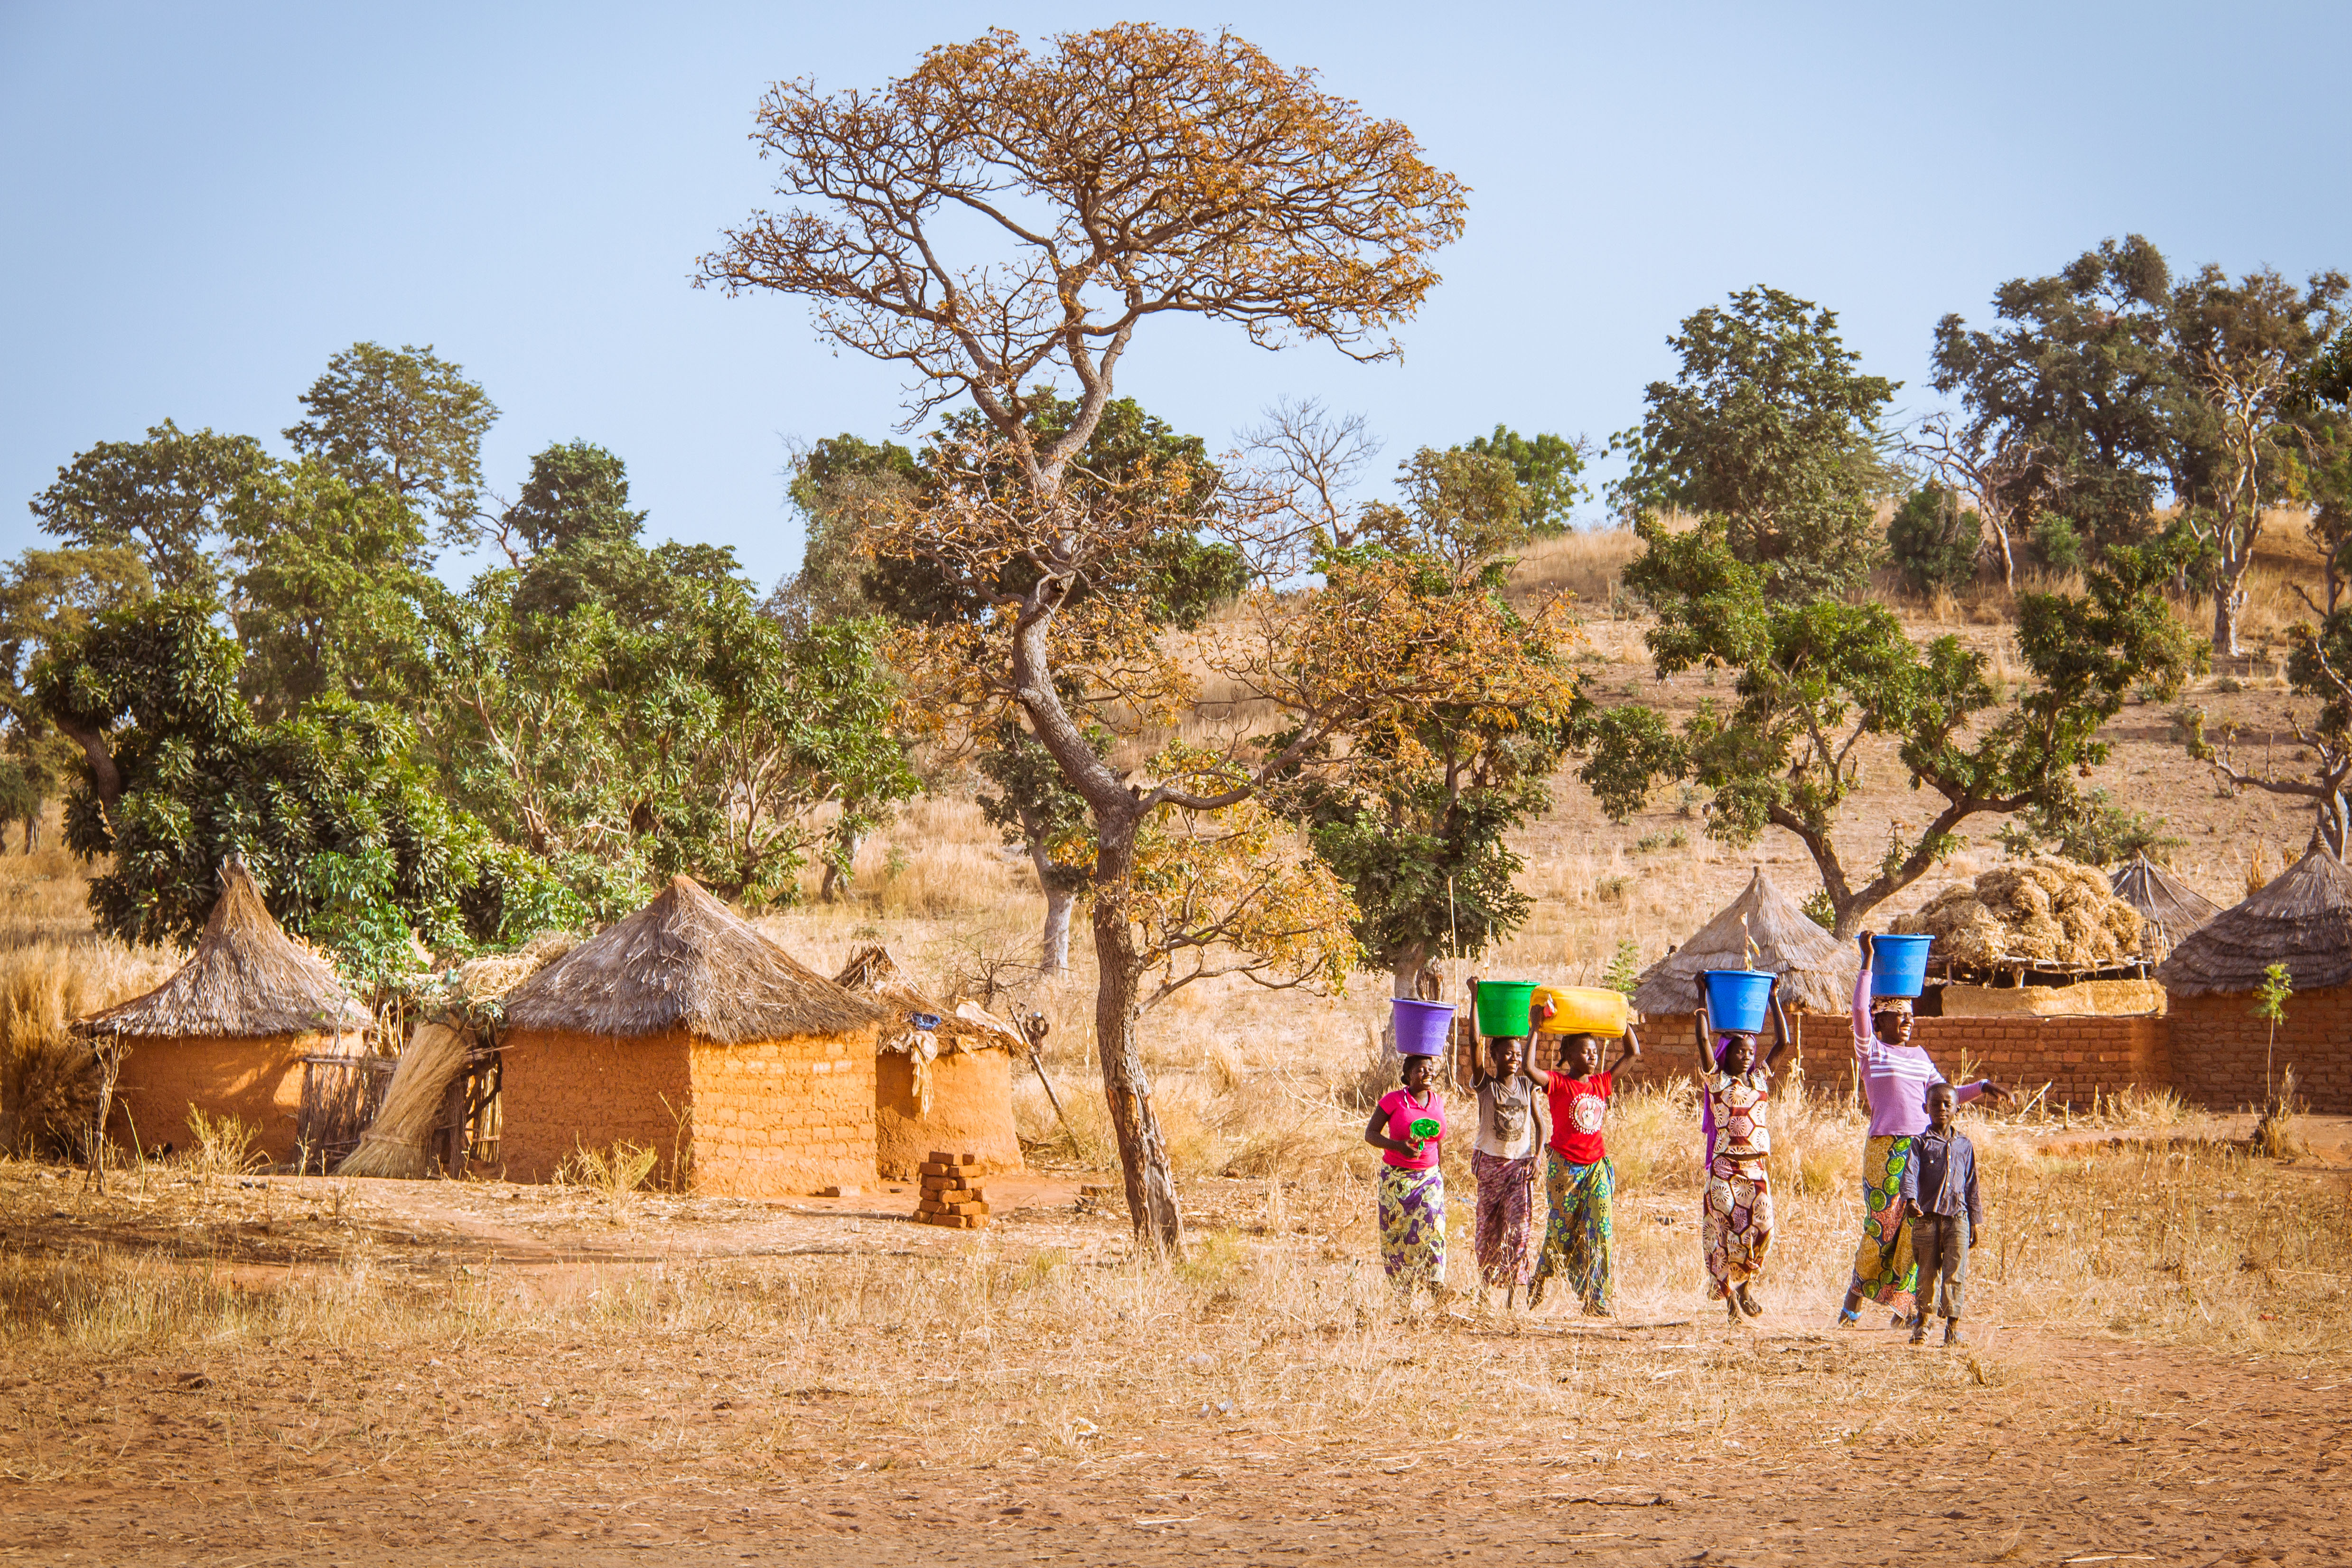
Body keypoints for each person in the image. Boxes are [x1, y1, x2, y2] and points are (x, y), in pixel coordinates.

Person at [1839, 933, 2009, 1328]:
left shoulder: (1920, 1058)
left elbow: (1945, 1095)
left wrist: (1982, 1087)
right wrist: (1867, 961)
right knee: (1881, 1227)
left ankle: (1907, 1312)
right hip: (1885, 1150)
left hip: (1922, 1150)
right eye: (1900, 1017)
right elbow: (1857, 1012)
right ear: (1880, 1020)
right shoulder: (1872, 1052)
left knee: (1917, 1228)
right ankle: (1852, 1308)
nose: (1908, 1023)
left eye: (1911, 1017)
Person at [1525, 1022, 1642, 1316]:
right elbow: (1528, 1069)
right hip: (1565, 1170)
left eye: (1594, 1051)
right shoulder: (1557, 1083)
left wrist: (1621, 1021)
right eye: (1585, 1051)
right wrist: (1536, 1028)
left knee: (1601, 1229)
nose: (1592, 1056)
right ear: (1568, 1054)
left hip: (1597, 1167)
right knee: (1561, 1231)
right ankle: (1541, 1276)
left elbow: (1633, 1053)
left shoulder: (1601, 1083)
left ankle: (1597, 1297)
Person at [1695, 973, 1792, 1323]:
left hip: (1755, 1170)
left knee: (1764, 1228)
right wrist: (1702, 993)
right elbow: (1703, 1037)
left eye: (1751, 1052)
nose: (1748, 1057)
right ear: (1727, 1053)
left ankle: (1746, 1285)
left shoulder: (1761, 1078)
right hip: (1724, 1168)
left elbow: (1783, 1041)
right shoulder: (1716, 1081)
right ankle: (1730, 1303)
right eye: (1741, 1051)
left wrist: (1774, 997)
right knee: (1722, 1235)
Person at [1469, 1014, 1544, 1308]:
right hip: (1490, 1165)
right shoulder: (1486, 1085)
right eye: (1507, 1054)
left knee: (1519, 1229)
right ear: (1494, 1057)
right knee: (1488, 1229)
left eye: (1517, 1053)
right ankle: (1485, 1292)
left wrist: (1538, 1157)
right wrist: (1476, 999)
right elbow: (1474, 1043)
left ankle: (1513, 1298)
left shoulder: (1528, 1086)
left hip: (1519, 1168)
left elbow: (1541, 1125)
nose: (1513, 1058)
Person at [1364, 1047, 1449, 1307]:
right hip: (1396, 1181)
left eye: (1431, 1068)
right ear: (1407, 1076)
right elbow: (1371, 1135)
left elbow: (1439, 1141)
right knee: (1397, 1236)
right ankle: (1404, 1295)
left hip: (1429, 1178)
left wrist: (1439, 1171)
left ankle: (1436, 1286)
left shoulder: (1437, 1101)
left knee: (1435, 1228)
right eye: (1421, 1069)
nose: (1428, 1073)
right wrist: (1398, 1146)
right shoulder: (1394, 1101)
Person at [1902, 1081, 1981, 1346]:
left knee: (1955, 1272)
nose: (1942, 1109)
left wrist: (1975, 1223)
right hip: (1926, 1220)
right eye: (1935, 1104)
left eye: (1948, 1104)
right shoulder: (1919, 1144)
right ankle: (1923, 1326)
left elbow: (1971, 1185)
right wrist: (1911, 1200)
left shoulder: (1965, 1146)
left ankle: (1952, 1329)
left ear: (1958, 1108)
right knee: (1926, 1272)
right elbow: (1910, 1175)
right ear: (1926, 1108)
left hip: (1958, 1219)